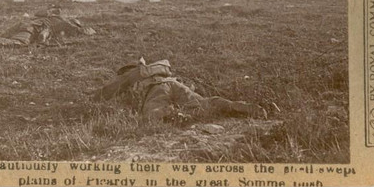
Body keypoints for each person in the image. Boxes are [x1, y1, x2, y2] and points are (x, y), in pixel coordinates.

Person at [95, 58, 266, 122]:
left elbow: (111, 88)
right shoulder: (160, 71)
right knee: (205, 103)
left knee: (151, 113)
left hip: (157, 89)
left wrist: (96, 97)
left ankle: (177, 117)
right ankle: (240, 106)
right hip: (174, 84)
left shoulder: (131, 75)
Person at [0, 5, 95, 48]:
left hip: (23, 25)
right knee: (18, 43)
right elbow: (44, 33)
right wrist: (41, 43)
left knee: (2, 36)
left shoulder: (40, 17)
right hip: (30, 30)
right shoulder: (60, 22)